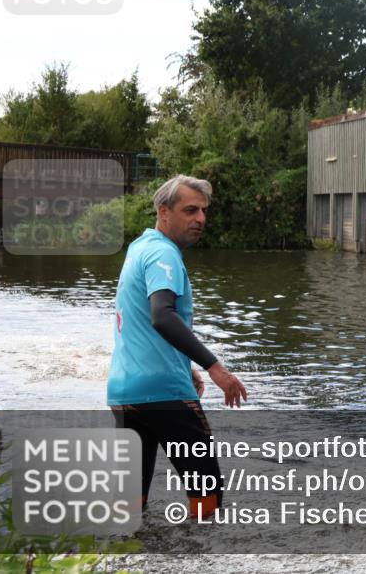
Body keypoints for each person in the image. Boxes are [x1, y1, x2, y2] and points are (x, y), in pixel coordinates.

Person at [107, 175, 248, 520]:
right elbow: (162, 316)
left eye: (203, 211)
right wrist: (215, 366)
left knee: (130, 503)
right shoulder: (162, 254)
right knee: (208, 499)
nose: (200, 218)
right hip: (165, 394)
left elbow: (141, 322)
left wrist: (185, 365)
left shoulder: (140, 247)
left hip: (125, 394)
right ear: (163, 211)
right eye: (190, 210)